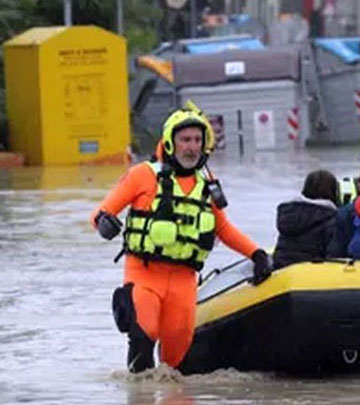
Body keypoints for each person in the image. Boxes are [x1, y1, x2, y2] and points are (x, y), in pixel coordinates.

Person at [90, 107, 271, 373]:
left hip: (184, 280)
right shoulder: (143, 175)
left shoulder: (206, 187)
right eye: (185, 140)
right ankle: (140, 396)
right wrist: (104, 223)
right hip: (144, 273)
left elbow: (224, 229)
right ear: (170, 143)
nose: (192, 147)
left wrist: (256, 254)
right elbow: (101, 212)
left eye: (197, 140)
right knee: (144, 332)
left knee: (175, 355)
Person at [272, 169, 339, 269]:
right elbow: (334, 253)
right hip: (310, 273)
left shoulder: (289, 215)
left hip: (280, 267)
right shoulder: (331, 218)